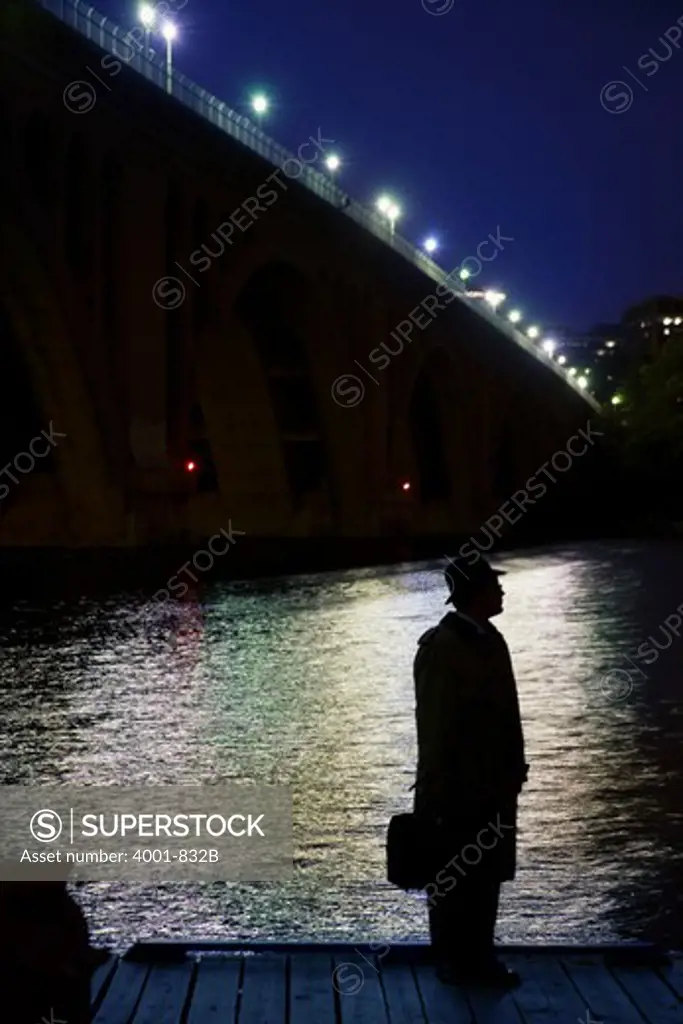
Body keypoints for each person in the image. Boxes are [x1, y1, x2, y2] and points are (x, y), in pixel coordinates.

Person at [413, 555, 528, 987]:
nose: (501, 591)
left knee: (485, 878)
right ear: (475, 592)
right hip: (461, 793)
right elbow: (439, 728)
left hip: (490, 788)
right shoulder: (444, 648)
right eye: (492, 584)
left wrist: (511, 770)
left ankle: (476, 959)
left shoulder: (485, 639)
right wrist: (443, 792)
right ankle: (462, 963)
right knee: (460, 881)